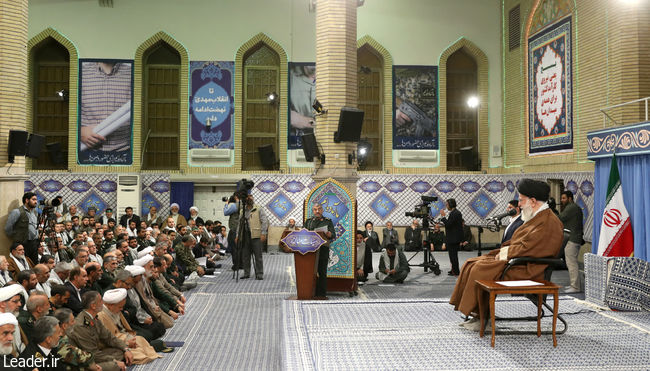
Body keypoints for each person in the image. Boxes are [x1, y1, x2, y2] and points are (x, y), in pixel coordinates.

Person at [450, 179, 564, 330]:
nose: (520, 205)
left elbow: (532, 248)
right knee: (472, 262)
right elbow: (525, 244)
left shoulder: (549, 221)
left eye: (521, 200)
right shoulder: (538, 216)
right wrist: (503, 253)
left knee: (480, 268)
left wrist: (505, 254)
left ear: (533, 201)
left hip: (529, 268)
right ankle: (479, 314)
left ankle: (483, 317)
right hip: (520, 261)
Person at [68, 291, 133, 371]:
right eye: (100, 301)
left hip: (94, 354)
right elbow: (91, 353)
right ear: (93, 306)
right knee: (114, 366)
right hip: (84, 361)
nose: (103, 303)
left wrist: (126, 349)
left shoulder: (94, 317)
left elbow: (109, 337)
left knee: (120, 351)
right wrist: (113, 361)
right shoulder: (81, 325)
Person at [97, 288, 163, 364]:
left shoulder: (114, 310)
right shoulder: (101, 316)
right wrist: (126, 342)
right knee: (135, 351)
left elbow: (122, 328)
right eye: (120, 307)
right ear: (110, 305)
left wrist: (129, 339)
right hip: (114, 344)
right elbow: (108, 339)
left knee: (140, 339)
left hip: (122, 337)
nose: (122, 309)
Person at [80, 61, 131, 157]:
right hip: (86, 152)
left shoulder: (133, 74)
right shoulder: (80, 73)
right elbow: (69, 111)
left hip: (125, 151)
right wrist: (78, 131)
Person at [304, 203, 335, 299]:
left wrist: (330, 234)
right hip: (310, 250)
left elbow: (333, 234)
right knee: (310, 272)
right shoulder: (309, 221)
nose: (317, 211)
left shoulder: (328, 221)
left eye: (319, 209)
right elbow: (303, 233)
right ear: (313, 211)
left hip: (323, 249)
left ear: (322, 210)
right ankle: (310, 292)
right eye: (315, 209)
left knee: (322, 272)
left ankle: (321, 294)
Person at [236, 194, 268, 280]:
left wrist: (263, 233)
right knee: (245, 255)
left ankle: (259, 274)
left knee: (258, 256)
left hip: (256, 235)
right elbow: (239, 224)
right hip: (245, 235)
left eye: (251, 196)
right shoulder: (242, 210)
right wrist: (237, 235)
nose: (249, 198)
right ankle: (246, 273)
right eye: (247, 197)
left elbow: (264, 221)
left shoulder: (258, 208)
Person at [559, 190, 584, 294]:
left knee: (571, 263)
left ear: (570, 198)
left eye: (564, 198)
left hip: (572, 239)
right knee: (571, 262)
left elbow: (559, 218)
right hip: (574, 238)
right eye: (561, 198)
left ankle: (575, 286)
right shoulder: (574, 207)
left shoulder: (571, 208)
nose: (562, 200)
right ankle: (574, 285)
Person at [5, 192, 40, 265]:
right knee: (24, 264)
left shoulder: (35, 212)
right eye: (33, 199)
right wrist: (17, 237)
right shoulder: (17, 212)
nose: (36, 202)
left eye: (36, 200)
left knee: (34, 264)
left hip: (33, 243)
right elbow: (8, 228)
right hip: (23, 244)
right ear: (27, 200)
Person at [289, 64, 316, 142]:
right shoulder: (290, 76)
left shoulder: (334, 77)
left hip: (325, 140)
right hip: (297, 139)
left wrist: (306, 122)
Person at [439, 199, 462, 276]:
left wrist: (443, 217)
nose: (446, 206)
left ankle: (456, 271)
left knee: (453, 256)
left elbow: (448, 224)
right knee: (452, 256)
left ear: (451, 205)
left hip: (453, 238)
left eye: (447, 205)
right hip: (453, 237)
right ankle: (454, 270)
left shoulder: (455, 213)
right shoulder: (454, 213)